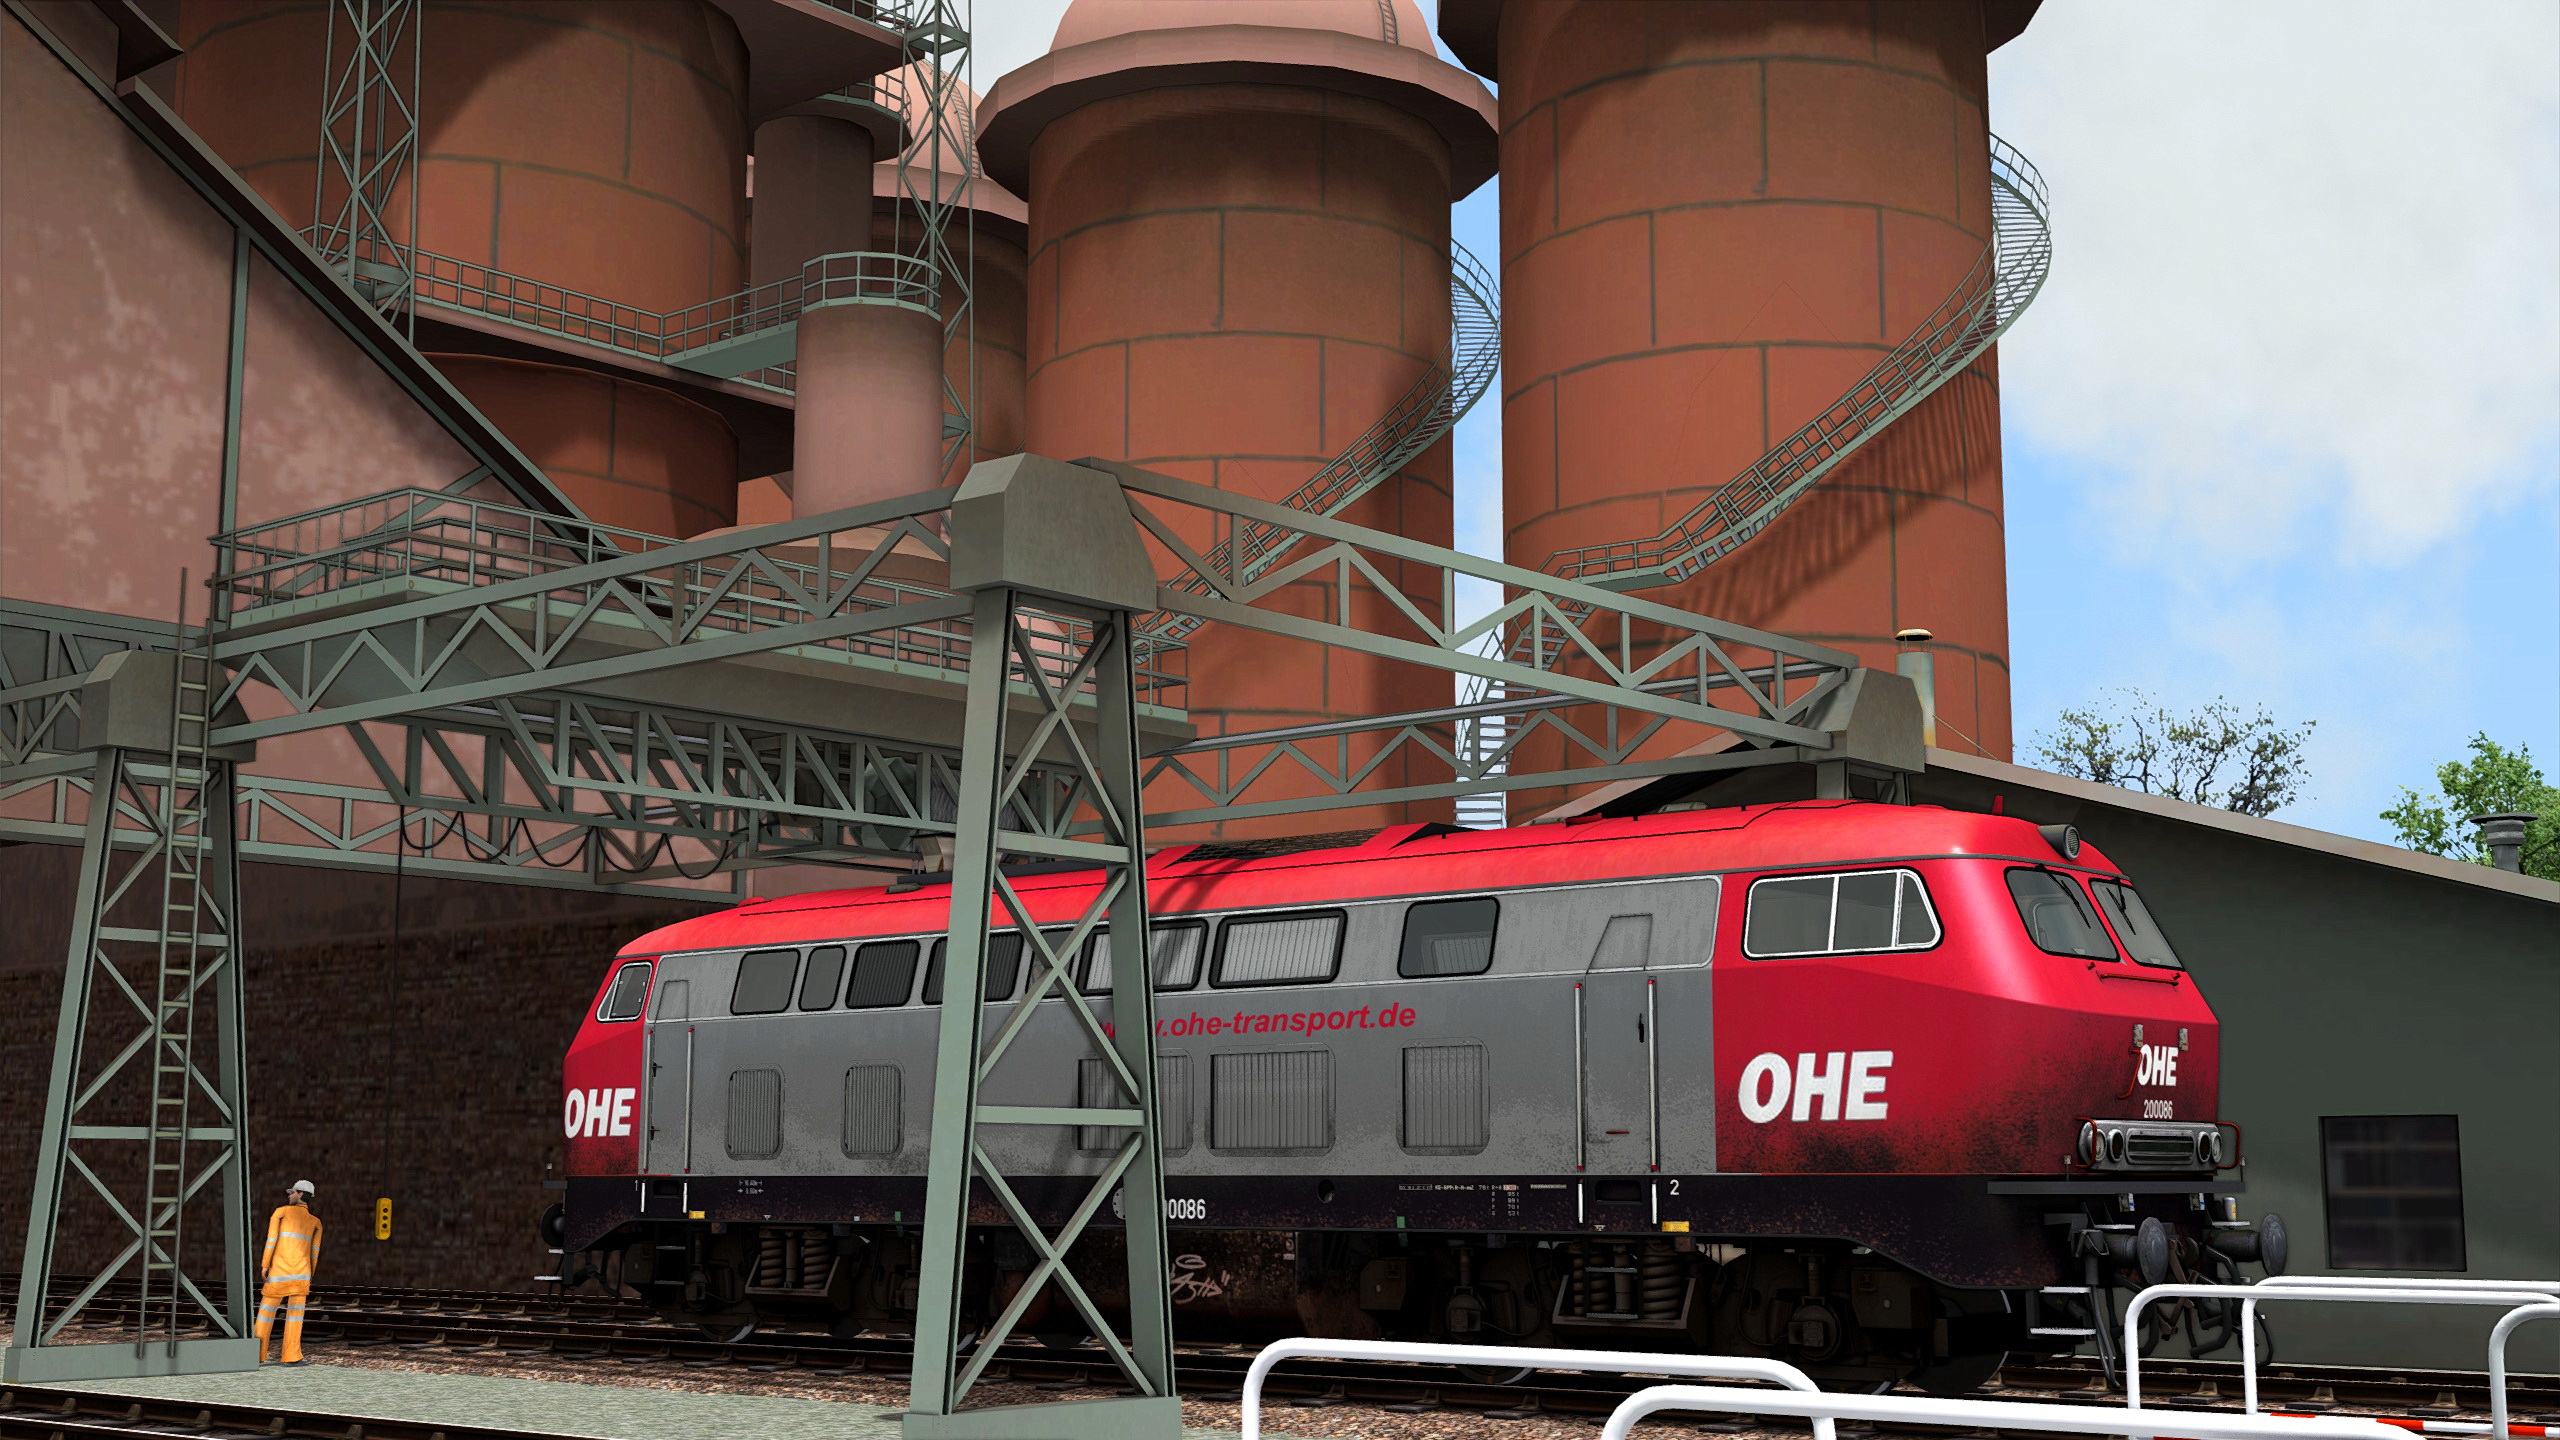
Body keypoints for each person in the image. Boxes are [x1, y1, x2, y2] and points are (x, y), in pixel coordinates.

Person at [255, 1180, 323, 1365]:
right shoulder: (315, 1222)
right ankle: (292, 1356)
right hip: (301, 1277)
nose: (289, 1195)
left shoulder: (281, 1213)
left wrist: (265, 1264)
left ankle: (255, 1355)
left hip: (278, 1274)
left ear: (300, 1194)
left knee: (265, 1315)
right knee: (295, 1318)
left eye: (292, 1192)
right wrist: (310, 1274)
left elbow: (271, 1241)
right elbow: (314, 1253)